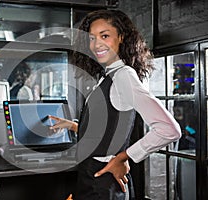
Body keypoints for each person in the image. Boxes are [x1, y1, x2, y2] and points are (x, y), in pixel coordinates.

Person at [48, 9, 181, 200]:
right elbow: (107, 131)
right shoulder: (108, 77)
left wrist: (124, 157)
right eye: (92, 38)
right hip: (93, 178)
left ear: (121, 37)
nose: (96, 44)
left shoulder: (123, 75)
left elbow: (169, 129)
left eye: (105, 35)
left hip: (103, 182)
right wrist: (72, 125)